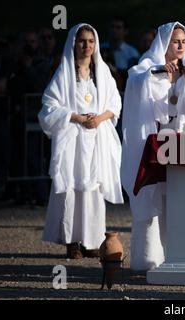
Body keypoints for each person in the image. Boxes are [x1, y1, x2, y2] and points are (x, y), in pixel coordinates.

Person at [121, 21, 185, 271]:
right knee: (152, 198)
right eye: (175, 41)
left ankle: (180, 257)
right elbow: (137, 82)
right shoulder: (148, 68)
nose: (181, 46)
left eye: (184, 41)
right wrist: (162, 76)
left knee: (178, 197)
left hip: (182, 144)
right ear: (164, 43)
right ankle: (148, 260)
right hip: (153, 143)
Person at [38, 24, 124, 259]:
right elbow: (49, 106)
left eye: (91, 41)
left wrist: (99, 119)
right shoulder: (64, 74)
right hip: (73, 137)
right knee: (72, 187)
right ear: (74, 43)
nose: (87, 46)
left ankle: (92, 240)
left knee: (93, 188)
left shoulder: (102, 73)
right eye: (82, 41)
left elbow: (114, 103)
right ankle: (72, 241)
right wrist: (76, 117)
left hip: (96, 139)